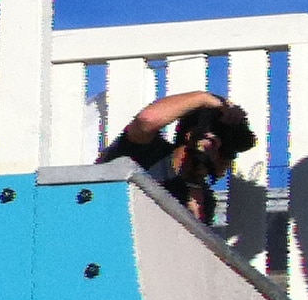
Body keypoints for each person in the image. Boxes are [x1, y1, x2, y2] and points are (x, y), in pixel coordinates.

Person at [97, 90, 258, 226]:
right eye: (225, 151)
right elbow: (147, 120)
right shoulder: (147, 154)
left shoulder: (203, 199)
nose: (226, 162)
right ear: (192, 136)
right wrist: (205, 99)